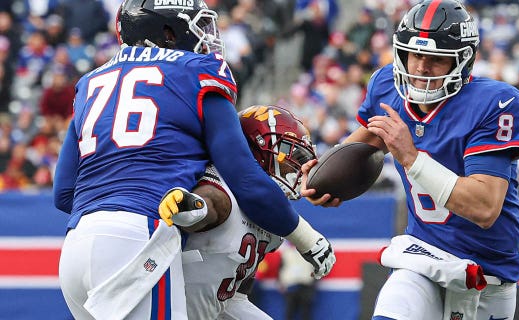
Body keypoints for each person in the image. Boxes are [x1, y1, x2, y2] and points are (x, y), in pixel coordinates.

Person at [52, 0, 334, 318]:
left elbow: (63, 193)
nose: (208, 39)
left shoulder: (90, 82)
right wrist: (306, 238)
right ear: (169, 32)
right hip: (140, 237)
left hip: (76, 244)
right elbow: (244, 179)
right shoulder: (196, 72)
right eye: (200, 28)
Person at [301, 1, 519, 319]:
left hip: (486, 275)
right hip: (422, 257)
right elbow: (369, 138)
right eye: (415, 54)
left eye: (436, 58)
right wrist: (324, 175)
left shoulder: (494, 103)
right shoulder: (387, 88)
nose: (421, 67)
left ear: (462, 62)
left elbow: (484, 208)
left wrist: (411, 156)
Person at [158, 105, 334, 319]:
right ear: (257, 148)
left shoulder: (275, 219)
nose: (295, 166)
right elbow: (213, 203)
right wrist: (193, 206)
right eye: (289, 152)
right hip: (168, 309)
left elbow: (237, 293)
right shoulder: (223, 190)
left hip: (211, 308)